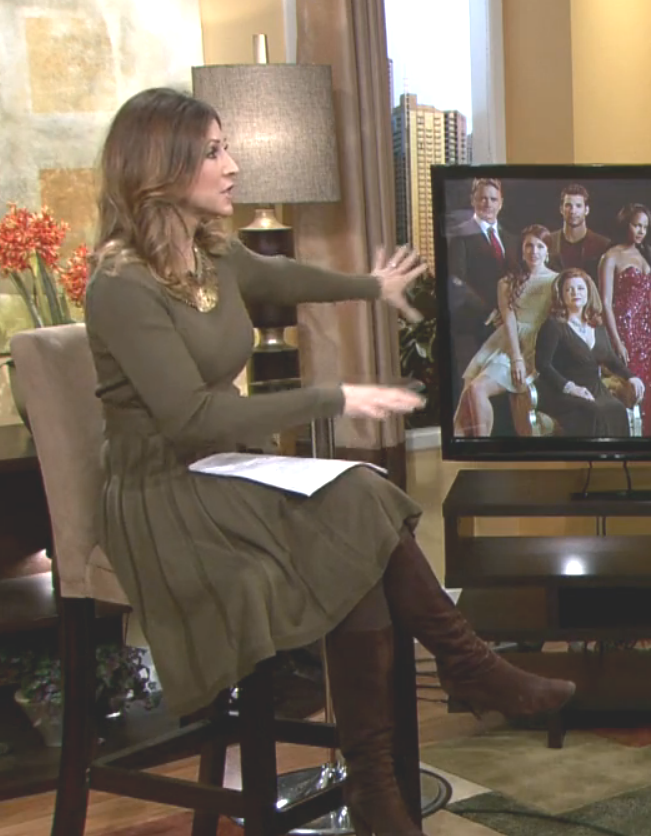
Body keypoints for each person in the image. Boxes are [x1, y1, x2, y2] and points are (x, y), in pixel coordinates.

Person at [84, 88, 575, 836]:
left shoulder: (209, 251)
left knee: (358, 505)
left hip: (223, 469)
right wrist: (331, 396)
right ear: (162, 168)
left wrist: (370, 287)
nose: (232, 165)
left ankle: (386, 769)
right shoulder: (121, 286)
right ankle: (456, 678)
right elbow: (188, 418)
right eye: (214, 151)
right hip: (164, 492)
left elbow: (281, 278)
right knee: (359, 510)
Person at [453, 225, 557, 437]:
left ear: (548, 251)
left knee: (476, 389)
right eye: (529, 246)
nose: (534, 251)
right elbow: (508, 320)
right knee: (470, 392)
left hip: (537, 346)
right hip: (508, 343)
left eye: (540, 246)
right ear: (521, 250)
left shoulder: (557, 281)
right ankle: (473, 446)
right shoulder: (507, 283)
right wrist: (516, 358)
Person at [535, 269, 644, 437]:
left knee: (617, 408)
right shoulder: (553, 325)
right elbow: (543, 364)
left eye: (580, 288)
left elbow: (610, 359)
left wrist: (631, 377)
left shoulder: (597, 325)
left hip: (594, 388)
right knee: (593, 412)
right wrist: (571, 388)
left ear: (588, 292)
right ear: (561, 295)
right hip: (560, 391)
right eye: (569, 289)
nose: (575, 293)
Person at [447, 178, 518, 397]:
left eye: (493, 199)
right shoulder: (460, 236)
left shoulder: (511, 239)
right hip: (475, 326)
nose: (488, 204)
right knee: (473, 389)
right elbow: (456, 281)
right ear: (473, 201)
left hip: (507, 328)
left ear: (501, 203)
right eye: (482, 198)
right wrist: (490, 312)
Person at [598, 203, 651, 434]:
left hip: (647, 330)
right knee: (634, 386)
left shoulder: (645, 254)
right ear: (624, 224)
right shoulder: (611, 256)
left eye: (645, 227)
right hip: (625, 330)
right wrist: (617, 341)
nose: (641, 231)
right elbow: (605, 303)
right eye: (636, 225)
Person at [548, 184, 610, 281]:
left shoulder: (603, 245)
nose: (573, 211)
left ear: (586, 210)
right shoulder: (548, 241)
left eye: (578, 206)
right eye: (568, 205)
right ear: (561, 209)